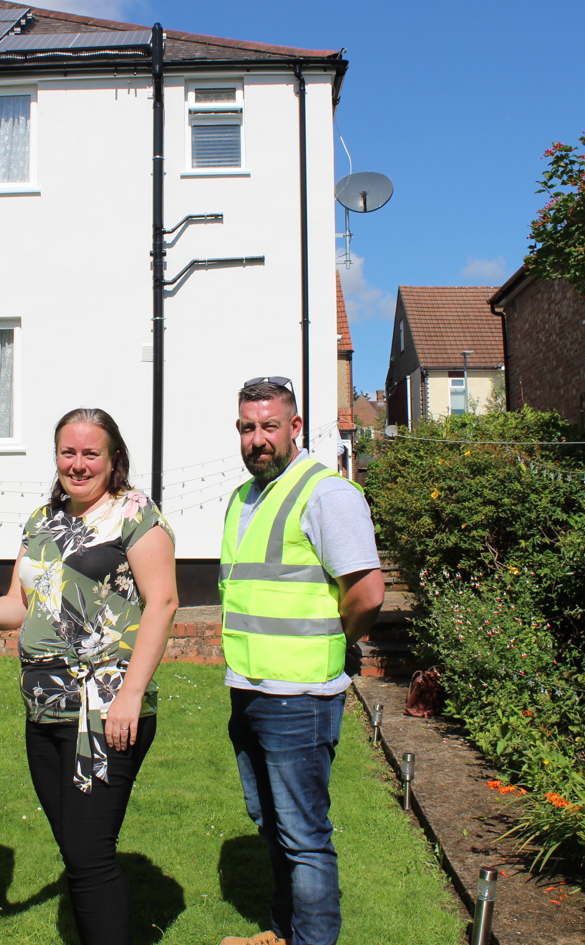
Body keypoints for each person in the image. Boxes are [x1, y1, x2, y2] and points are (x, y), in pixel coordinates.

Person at [0, 408, 178, 945]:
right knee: (79, 853)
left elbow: (163, 603)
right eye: (68, 452)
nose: (77, 465)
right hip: (43, 711)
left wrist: (128, 696)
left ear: (113, 458)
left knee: (88, 854)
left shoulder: (135, 514)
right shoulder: (41, 521)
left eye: (90, 454)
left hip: (104, 713)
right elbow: (17, 605)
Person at [218, 378, 384, 945]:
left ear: (295, 428)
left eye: (269, 426)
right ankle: (282, 932)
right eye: (247, 427)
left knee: (303, 837)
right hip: (249, 685)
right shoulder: (246, 498)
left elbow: (366, 591)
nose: (257, 438)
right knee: (271, 823)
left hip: (300, 696)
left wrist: (341, 641)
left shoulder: (326, 494)